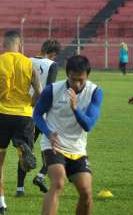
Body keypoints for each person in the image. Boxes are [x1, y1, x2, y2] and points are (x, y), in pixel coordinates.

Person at [34, 55, 103, 215]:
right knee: (58, 183)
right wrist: (48, 133)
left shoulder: (95, 92)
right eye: (73, 79)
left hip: (77, 148)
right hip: (53, 144)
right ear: (67, 75)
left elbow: (88, 125)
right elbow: (37, 114)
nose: (77, 84)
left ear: (87, 75)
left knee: (86, 191)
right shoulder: (53, 90)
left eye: (81, 80)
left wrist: (75, 108)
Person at [0, 30, 42, 214]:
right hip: (24, 115)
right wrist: (30, 105)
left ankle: (1, 205)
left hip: (1, 114)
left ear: (3, 44)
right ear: (20, 44)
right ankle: (22, 148)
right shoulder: (29, 63)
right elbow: (39, 91)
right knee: (25, 163)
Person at [15, 39, 61, 196]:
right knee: (55, 149)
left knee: (26, 151)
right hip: (44, 115)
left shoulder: (26, 61)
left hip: (26, 111)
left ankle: (19, 188)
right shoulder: (52, 65)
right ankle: (41, 176)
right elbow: (48, 90)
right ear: (53, 54)